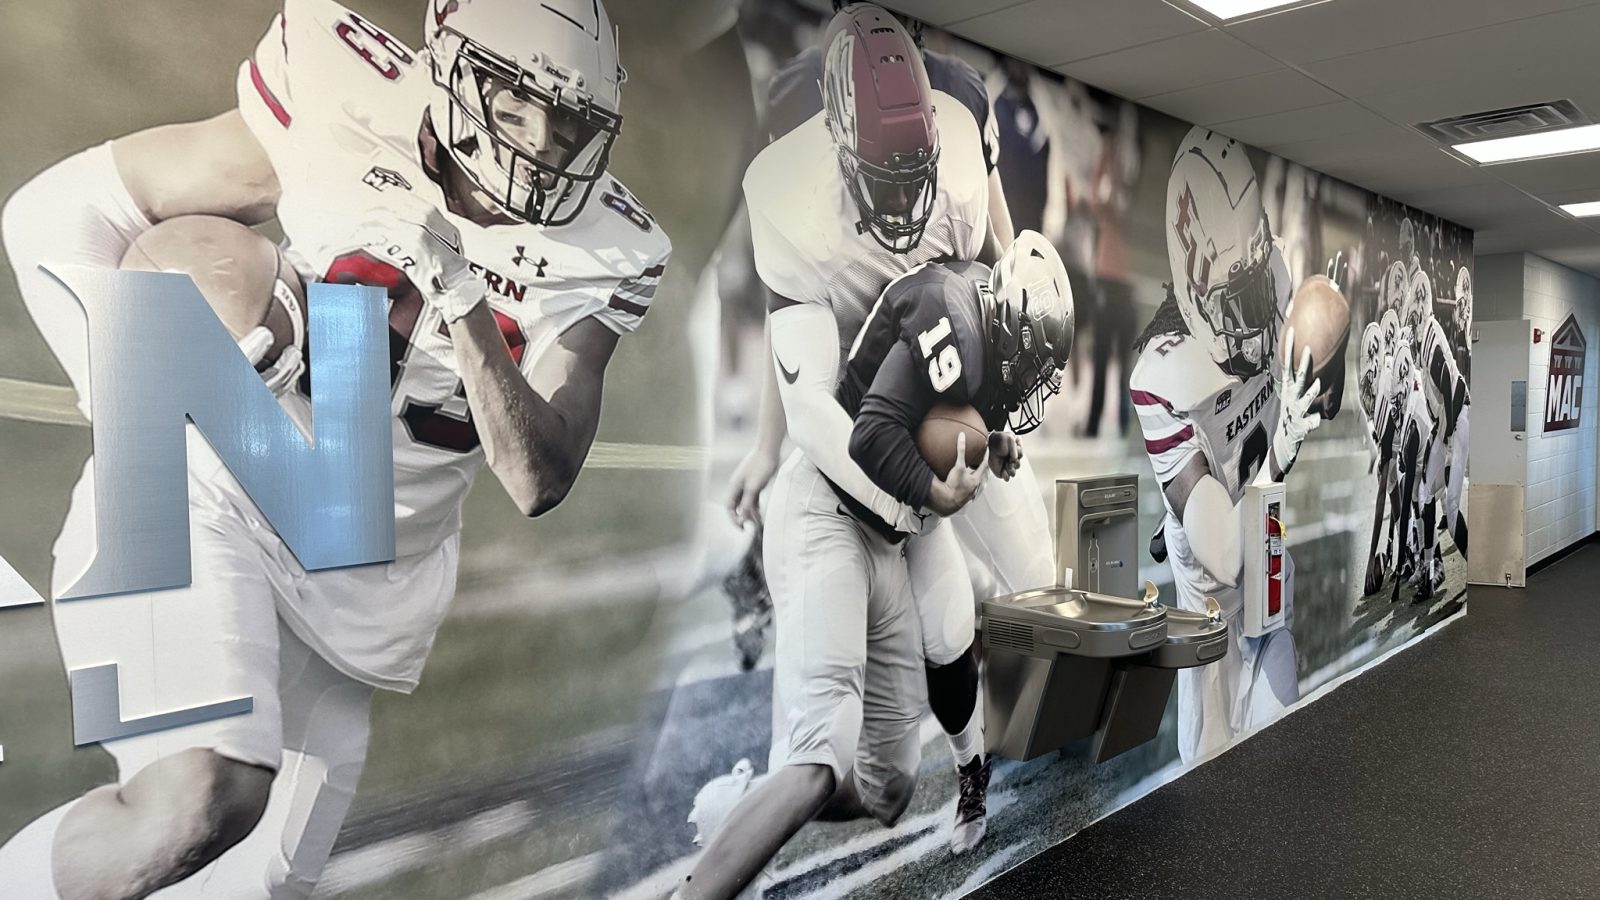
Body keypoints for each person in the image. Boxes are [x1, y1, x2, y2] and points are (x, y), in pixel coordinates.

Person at [0, 0, 668, 895]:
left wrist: (462, 297)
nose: (546, 143)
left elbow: (537, 477)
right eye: (515, 103)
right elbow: (61, 208)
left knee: (246, 878)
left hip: (357, 576)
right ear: (453, 71)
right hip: (212, 493)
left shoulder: (613, 247)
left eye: (575, 121)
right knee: (200, 796)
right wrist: (140, 387)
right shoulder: (340, 95)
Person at [681, 234, 1074, 900]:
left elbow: (965, 411)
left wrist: (996, 442)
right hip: (836, 508)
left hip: (900, 520)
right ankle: (739, 824)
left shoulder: (989, 329)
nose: (1031, 384)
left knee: (904, 752)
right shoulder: (950, 319)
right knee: (821, 753)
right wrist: (935, 491)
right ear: (1004, 324)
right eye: (1030, 365)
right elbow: (872, 432)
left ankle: (966, 772)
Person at [1131, 127, 1339, 763]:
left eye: (1256, 292)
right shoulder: (1162, 375)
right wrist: (1279, 452)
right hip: (1209, 570)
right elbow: (1224, 554)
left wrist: (1322, 369)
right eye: (1235, 301)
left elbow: (1319, 383)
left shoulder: (1268, 272)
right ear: (1192, 279)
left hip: (1266, 533)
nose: (1253, 322)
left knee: (1279, 739)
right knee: (1210, 767)